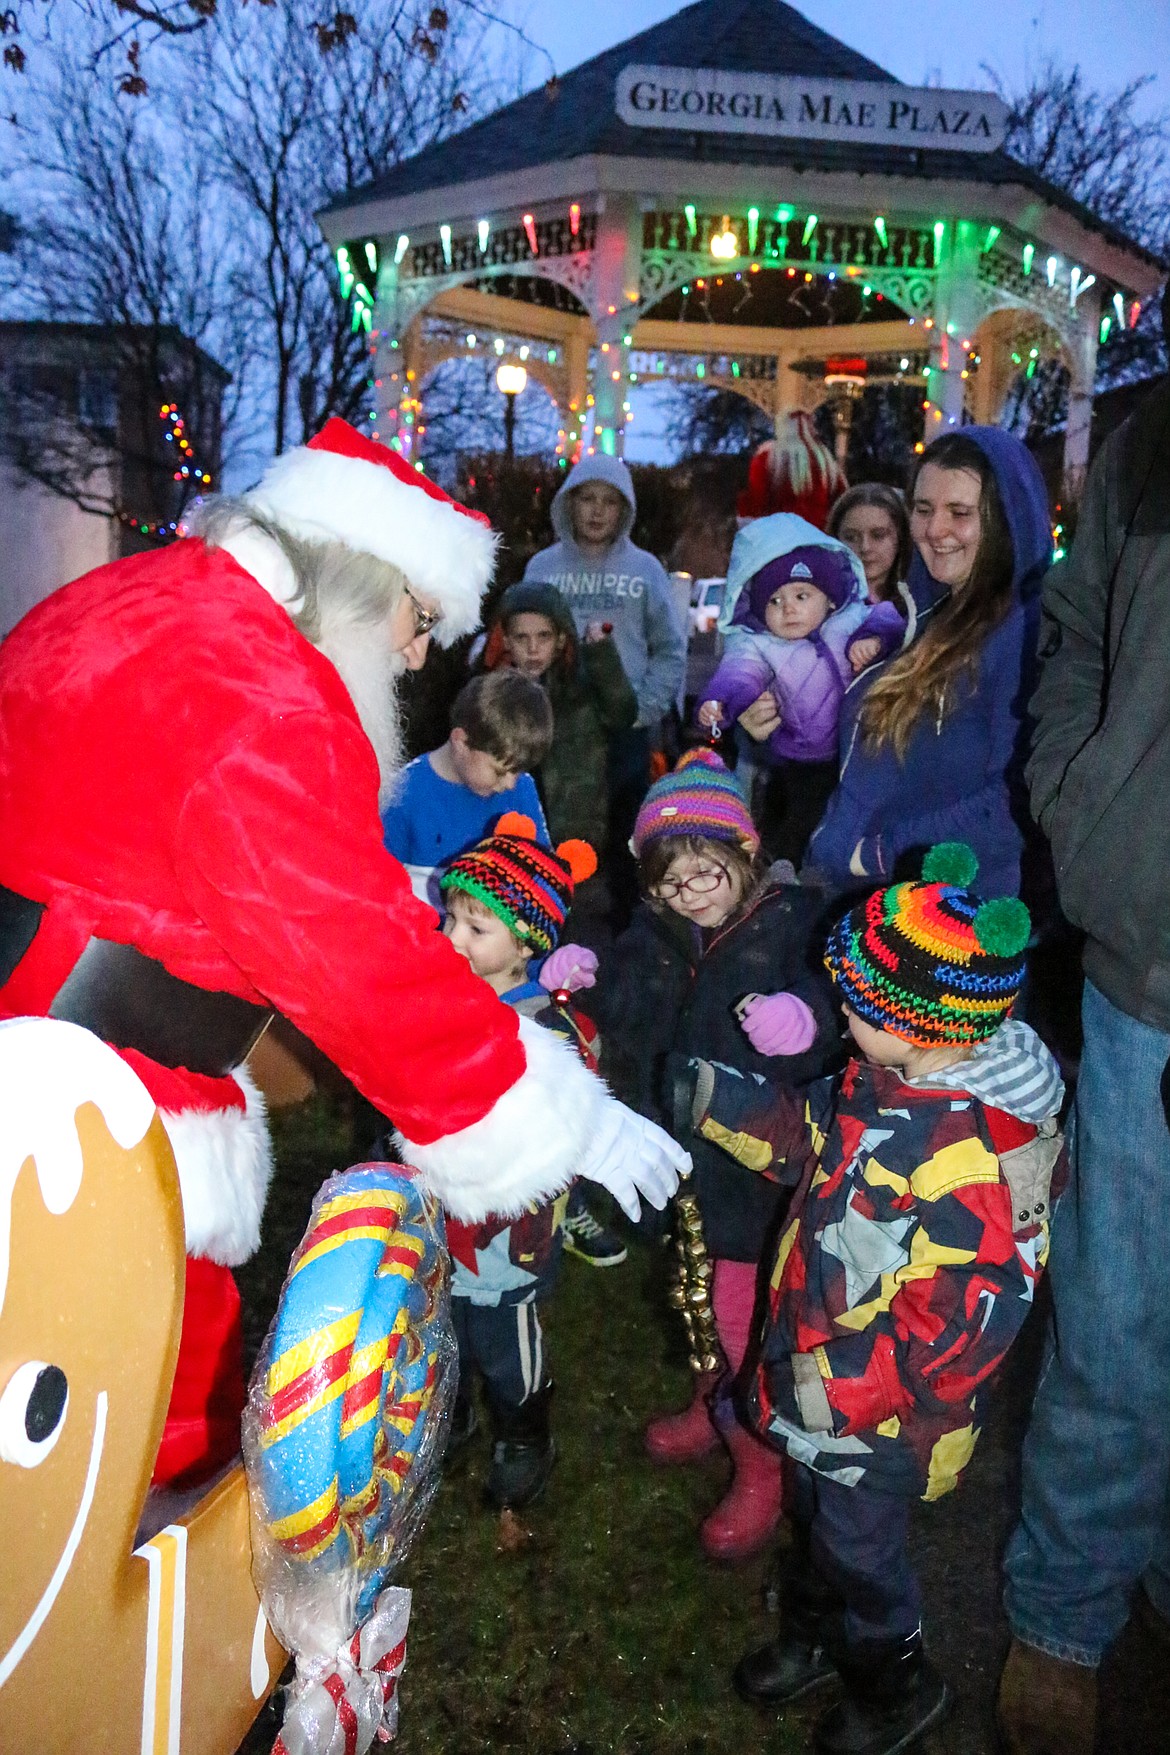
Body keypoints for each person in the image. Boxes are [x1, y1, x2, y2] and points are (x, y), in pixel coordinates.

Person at [0, 416, 687, 1491]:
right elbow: (347, 951)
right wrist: (557, 1111)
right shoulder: (267, 687)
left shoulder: (147, 599)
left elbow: (188, 842)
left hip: (45, 1042)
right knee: (129, 1414)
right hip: (91, 1096)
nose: (420, 655)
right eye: (420, 619)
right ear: (363, 576)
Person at [690, 844, 1064, 1753]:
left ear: (928, 1025)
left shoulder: (981, 1161)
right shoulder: (881, 1079)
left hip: (879, 1418)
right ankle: (820, 1635)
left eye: (858, 1004)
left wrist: (822, 1387)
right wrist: (711, 1098)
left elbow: (959, 1331)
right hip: (811, 1367)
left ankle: (895, 1678)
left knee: (861, 1546)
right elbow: (810, 1132)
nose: (841, 1013)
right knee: (818, 1520)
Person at [997, 294, 1170, 1755]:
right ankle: (1064, 1608)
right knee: (1117, 1310)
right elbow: (1071, 638)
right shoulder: (1148, 441)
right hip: (1149, 963)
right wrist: (1084, 802)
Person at [583, 748, 837, 1561]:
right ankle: (710, 1399)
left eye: (705, 871)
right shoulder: (656, 932)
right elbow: (627, 1010)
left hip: (756, 1180)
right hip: (683, 1166)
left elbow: (837, 1003)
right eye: (667, 880)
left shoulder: (795, 923)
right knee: (698, 1304)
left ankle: (758, 1457)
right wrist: (589, 975)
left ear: (745, 853)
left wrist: (806, 1017)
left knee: (740, 1321)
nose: (687, 893)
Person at [802, 428, 1052, 901]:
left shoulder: (1024, 634)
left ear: (1005, 519)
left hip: (944, 930)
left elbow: (1018, 802)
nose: (935, 530)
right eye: (923, 509)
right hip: (866, 906)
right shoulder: (922, 621)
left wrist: (882, 853)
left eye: (960, 513)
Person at [438, 815, 600, 1510]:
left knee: (506, 1334)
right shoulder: (442, 999)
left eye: (477, 929)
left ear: (527, 942)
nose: (453, 939)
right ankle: (451, 1411)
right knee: (443, 1322)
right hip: (443, 1209)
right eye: (450, 920)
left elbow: (576, 1101)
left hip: (510, 1226)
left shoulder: (545, 1023)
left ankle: (524, 1429)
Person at [523, 454, 686, 925]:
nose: (596, 511)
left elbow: (670, 648)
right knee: (548, 820)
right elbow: (520, 632)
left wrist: (645, 708)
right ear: (568, 505)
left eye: (609, 502)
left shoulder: (644, 570)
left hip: (622, 722)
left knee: (624, 826)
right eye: (587, 499)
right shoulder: (543, 567)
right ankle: (541, 914)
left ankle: (624, 926)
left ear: (625, 509)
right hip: (556, 721)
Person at [697, 515, 905, 865]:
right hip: (801, 759)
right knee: (798, 829)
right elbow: (738, 673)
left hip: (862, 753)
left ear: (829, 599)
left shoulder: (849, 620)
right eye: (774, 602)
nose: (788, 608)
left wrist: (875, 639)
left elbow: (889, 618)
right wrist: (718, 703)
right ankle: (787, 878)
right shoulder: (762, 646)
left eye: (801, 595)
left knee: (856, 823)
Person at [480, 579, 637, 854]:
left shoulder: (582, 691)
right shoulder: (487, 694)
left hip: (577, 837)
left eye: (544, 637)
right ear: (504, 640)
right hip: (508, 835)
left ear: (561, 639)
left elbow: (622, 714)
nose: (532, 649)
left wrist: (602, 655)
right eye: (521, 638)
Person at [380, 670, 551, 887]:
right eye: (499, 771)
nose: (510, 784)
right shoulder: (402, 794)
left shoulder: (522, 789)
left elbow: (544, 880)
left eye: (517, 771)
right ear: (461, 742)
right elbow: (381, 888)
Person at [736, 413, 849, 530]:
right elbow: (841, 500)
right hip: (818, 537)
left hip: (779, 537)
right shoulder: (825, 458)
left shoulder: (768, 456)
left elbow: (756, 500)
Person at [827, 483, 912, 609]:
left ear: (900, 537)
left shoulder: (921, 601)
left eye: (878, 535)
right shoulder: (820, 601)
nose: (865, 547)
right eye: (851, 537)